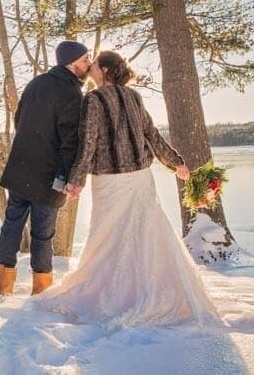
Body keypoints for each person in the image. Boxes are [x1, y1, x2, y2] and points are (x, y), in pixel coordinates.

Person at [38, 50, 219, 329]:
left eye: (95, 65)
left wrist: (76, 180)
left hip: (111, 181)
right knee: (147, 233)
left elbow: (88, 144)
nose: (91, 69)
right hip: (140, 178)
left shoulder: (94, 100)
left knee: (106, 236)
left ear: (106, 72)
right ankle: (146, 290)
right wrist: (176, 163)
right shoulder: (134, 96)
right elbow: (153, 134)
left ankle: (120, 295)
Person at [0, 41, 92, 296]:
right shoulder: (72, 93)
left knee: (11, 225)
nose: (89, 64)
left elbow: (19, 119)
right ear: (72, 63)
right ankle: (41, 291)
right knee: (43, 234)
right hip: (49, 175)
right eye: (85, 60)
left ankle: (3, 287)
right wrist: (70, 177)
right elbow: (71, 142)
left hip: (20, 168)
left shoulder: (36, 83)